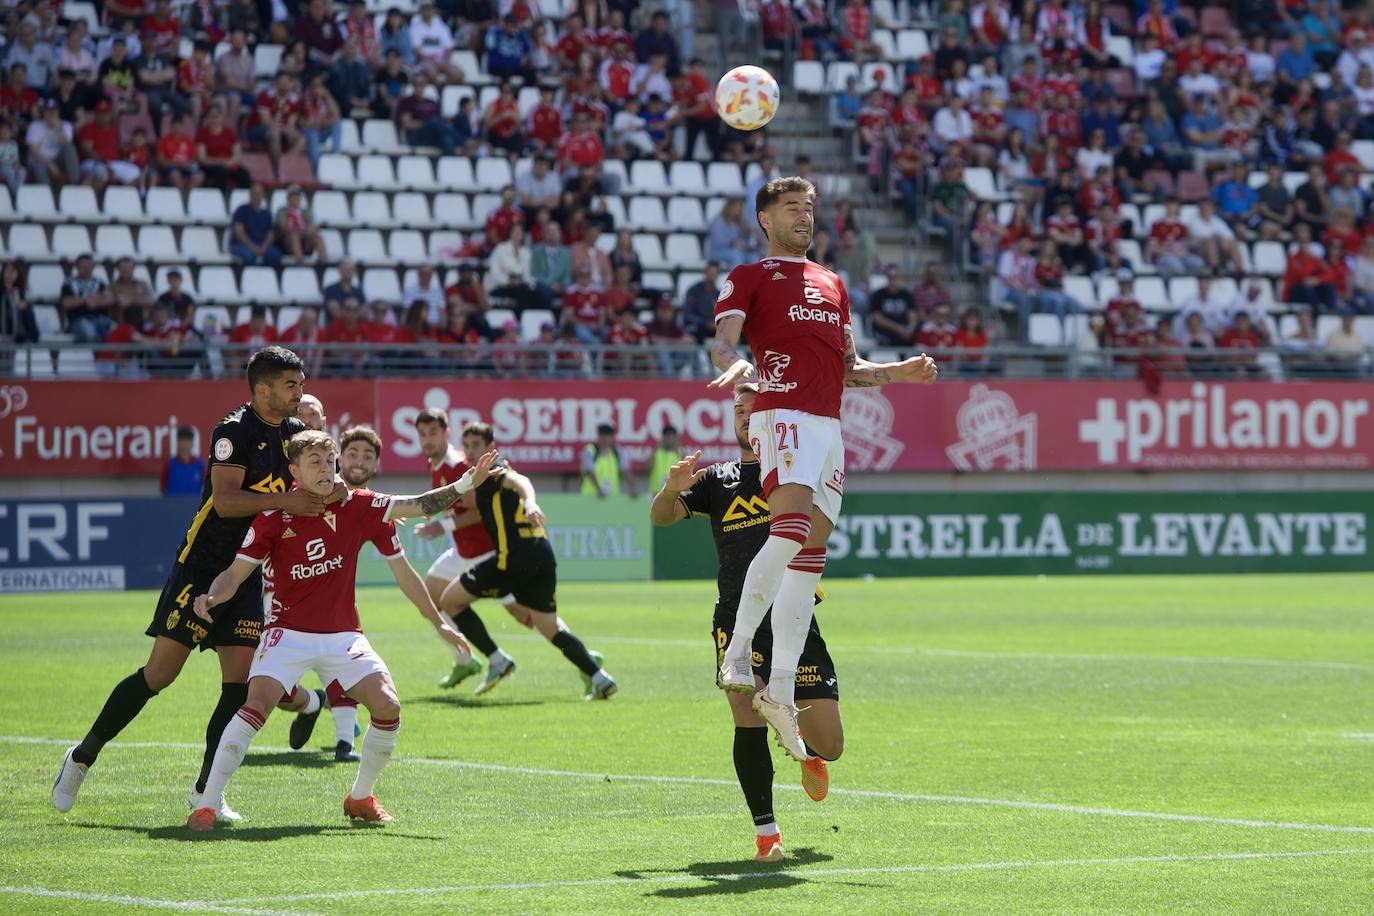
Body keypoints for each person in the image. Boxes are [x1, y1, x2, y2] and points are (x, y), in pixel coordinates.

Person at [53, 348, 339, 822]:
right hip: (200, 568)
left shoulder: (293, 435)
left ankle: (207, 791)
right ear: (262, 389)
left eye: (301, 383)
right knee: (160, 675)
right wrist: (291, 497)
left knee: (238, 685)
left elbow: (322, 472)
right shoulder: (231, 430)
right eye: (291, 385)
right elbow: (225, 503)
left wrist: (339, 487)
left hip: (246, 572)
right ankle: (82, 756)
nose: (300, 392)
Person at [708, 177, 938, 759]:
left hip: (828, 426)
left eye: (808, 208)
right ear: (765, 218)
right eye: (791, 208)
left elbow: (849, 366)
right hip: (781, 412)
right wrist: (735, 365)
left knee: (810, 559)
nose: (803, 217)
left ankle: (780, 689)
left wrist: (898, 373)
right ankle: (738, 653)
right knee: (786, 533)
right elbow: (723, 343)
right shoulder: (749, 276)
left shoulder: (832, 282)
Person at [185, 430, 495, 830]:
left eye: (328, 460)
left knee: (388, 706)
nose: (324, 468)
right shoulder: (274, 518)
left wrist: (467, 482)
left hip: (342, 635)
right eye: (313, 461)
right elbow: (234, 574)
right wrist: (212, 597)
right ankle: (207, 804)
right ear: (293, 470)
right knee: (257, 702)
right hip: (287, 633)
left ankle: (361, 796)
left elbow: (418, 505)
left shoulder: (360, 505)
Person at [651, 382, 843, 863]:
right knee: (743, 711)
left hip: (795, 620)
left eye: (752, 407)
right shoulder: (718, 478)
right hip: (735, 619)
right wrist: (669, 489)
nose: (743, 415)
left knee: (832, 743)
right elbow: (661, 517)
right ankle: (767, 833)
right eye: (737, 408)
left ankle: (806, 750)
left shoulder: (796, 476)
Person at [432, 423, 616, 699]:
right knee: (548, 626)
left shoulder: (497, 472)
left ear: (491, 448)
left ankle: (496, 659)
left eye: (476, 446)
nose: (469, 451)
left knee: (449, 601)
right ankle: (600, 678)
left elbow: (521, 482)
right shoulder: (481, 478)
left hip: (512, 560)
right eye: (466, 445)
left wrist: (530, 503)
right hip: (542, 556)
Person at [409, 409, 521, 693]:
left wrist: (442, 527)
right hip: (464, 552)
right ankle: (466, 659)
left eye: (434, 433)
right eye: (423, 435)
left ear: (447, 434)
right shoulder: (435, 464)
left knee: (528, 615)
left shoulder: (458, 464)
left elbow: (478, 510)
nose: (428, 440)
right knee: (430, 597)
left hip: (486, 552)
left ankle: (585, 662)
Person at [581, 422, 638, 498]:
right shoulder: (590, 451)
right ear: (599, 437)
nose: (605, 439)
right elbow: (590, 471)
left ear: (612, 438)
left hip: (612, 498)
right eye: (603, 436)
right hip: (591, 496)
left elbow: (626, 471)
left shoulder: (617, 452)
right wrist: (598, 489)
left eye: (607, 437)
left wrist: (633, 487)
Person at [161, 427, 206, 496]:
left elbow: (204, 487)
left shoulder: (200, 465)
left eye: (188, 440)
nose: (185, 444)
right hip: (172, 505)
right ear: (178, 442)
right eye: (182, 440)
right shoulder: (169, 464)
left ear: (192, 443)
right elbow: (163, 487)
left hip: (194, 505)